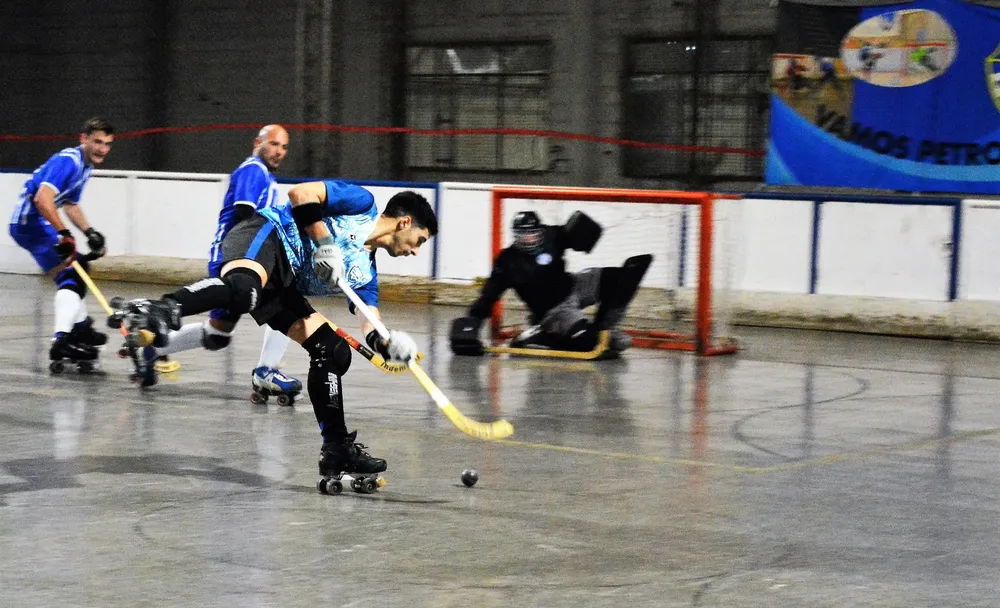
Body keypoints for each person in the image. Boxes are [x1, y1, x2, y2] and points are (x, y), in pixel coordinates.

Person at [114, 181, 437, 478]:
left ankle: (337, 449)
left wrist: (388, 342)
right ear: (404, 222)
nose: (415, 251)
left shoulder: (365, 273)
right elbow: (301, 194)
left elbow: (370, 321)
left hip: (283, 281)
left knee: (332, 349)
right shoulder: (361, 204)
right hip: (267, 235)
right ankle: (157, 308)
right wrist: (325, 243)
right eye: (419, 241)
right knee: (244, 292)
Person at [146, 125, 301, 398]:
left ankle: (152, 349)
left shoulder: (264, 176)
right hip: (238, 254)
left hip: (242, 253)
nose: (279, 152)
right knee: (288, 301)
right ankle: (267, 371)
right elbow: (245, 212)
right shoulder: (254, 170)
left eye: (284, 147)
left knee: (217, 335)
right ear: (258, 143)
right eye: (274, 144)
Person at [449, 210, 650, 359]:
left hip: (574, 286)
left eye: (533, 235)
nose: (529, 240)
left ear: (539, 232)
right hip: (554, 311)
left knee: (622, 276)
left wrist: (581, 232)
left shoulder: (550, 235)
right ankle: (543, 336)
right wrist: (471, 323)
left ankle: (605, 329)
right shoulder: (507, 262)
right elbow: (489, 296)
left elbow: (570, 235)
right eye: (523, 236)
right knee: (588, 344)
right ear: (516, 236)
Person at [9, 117, 113, 369]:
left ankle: (79, 328)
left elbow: (70, 203)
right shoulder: (69, 161)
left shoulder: (85, 166)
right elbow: (43, 200)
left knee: (76, 271)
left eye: (107, 144)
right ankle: (64, 338)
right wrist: (65, 234)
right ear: (83, 139)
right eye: (97, 142)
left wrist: (89, 232)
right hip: (31, 222)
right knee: (73, 272)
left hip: (34, 224)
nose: (101, 149)